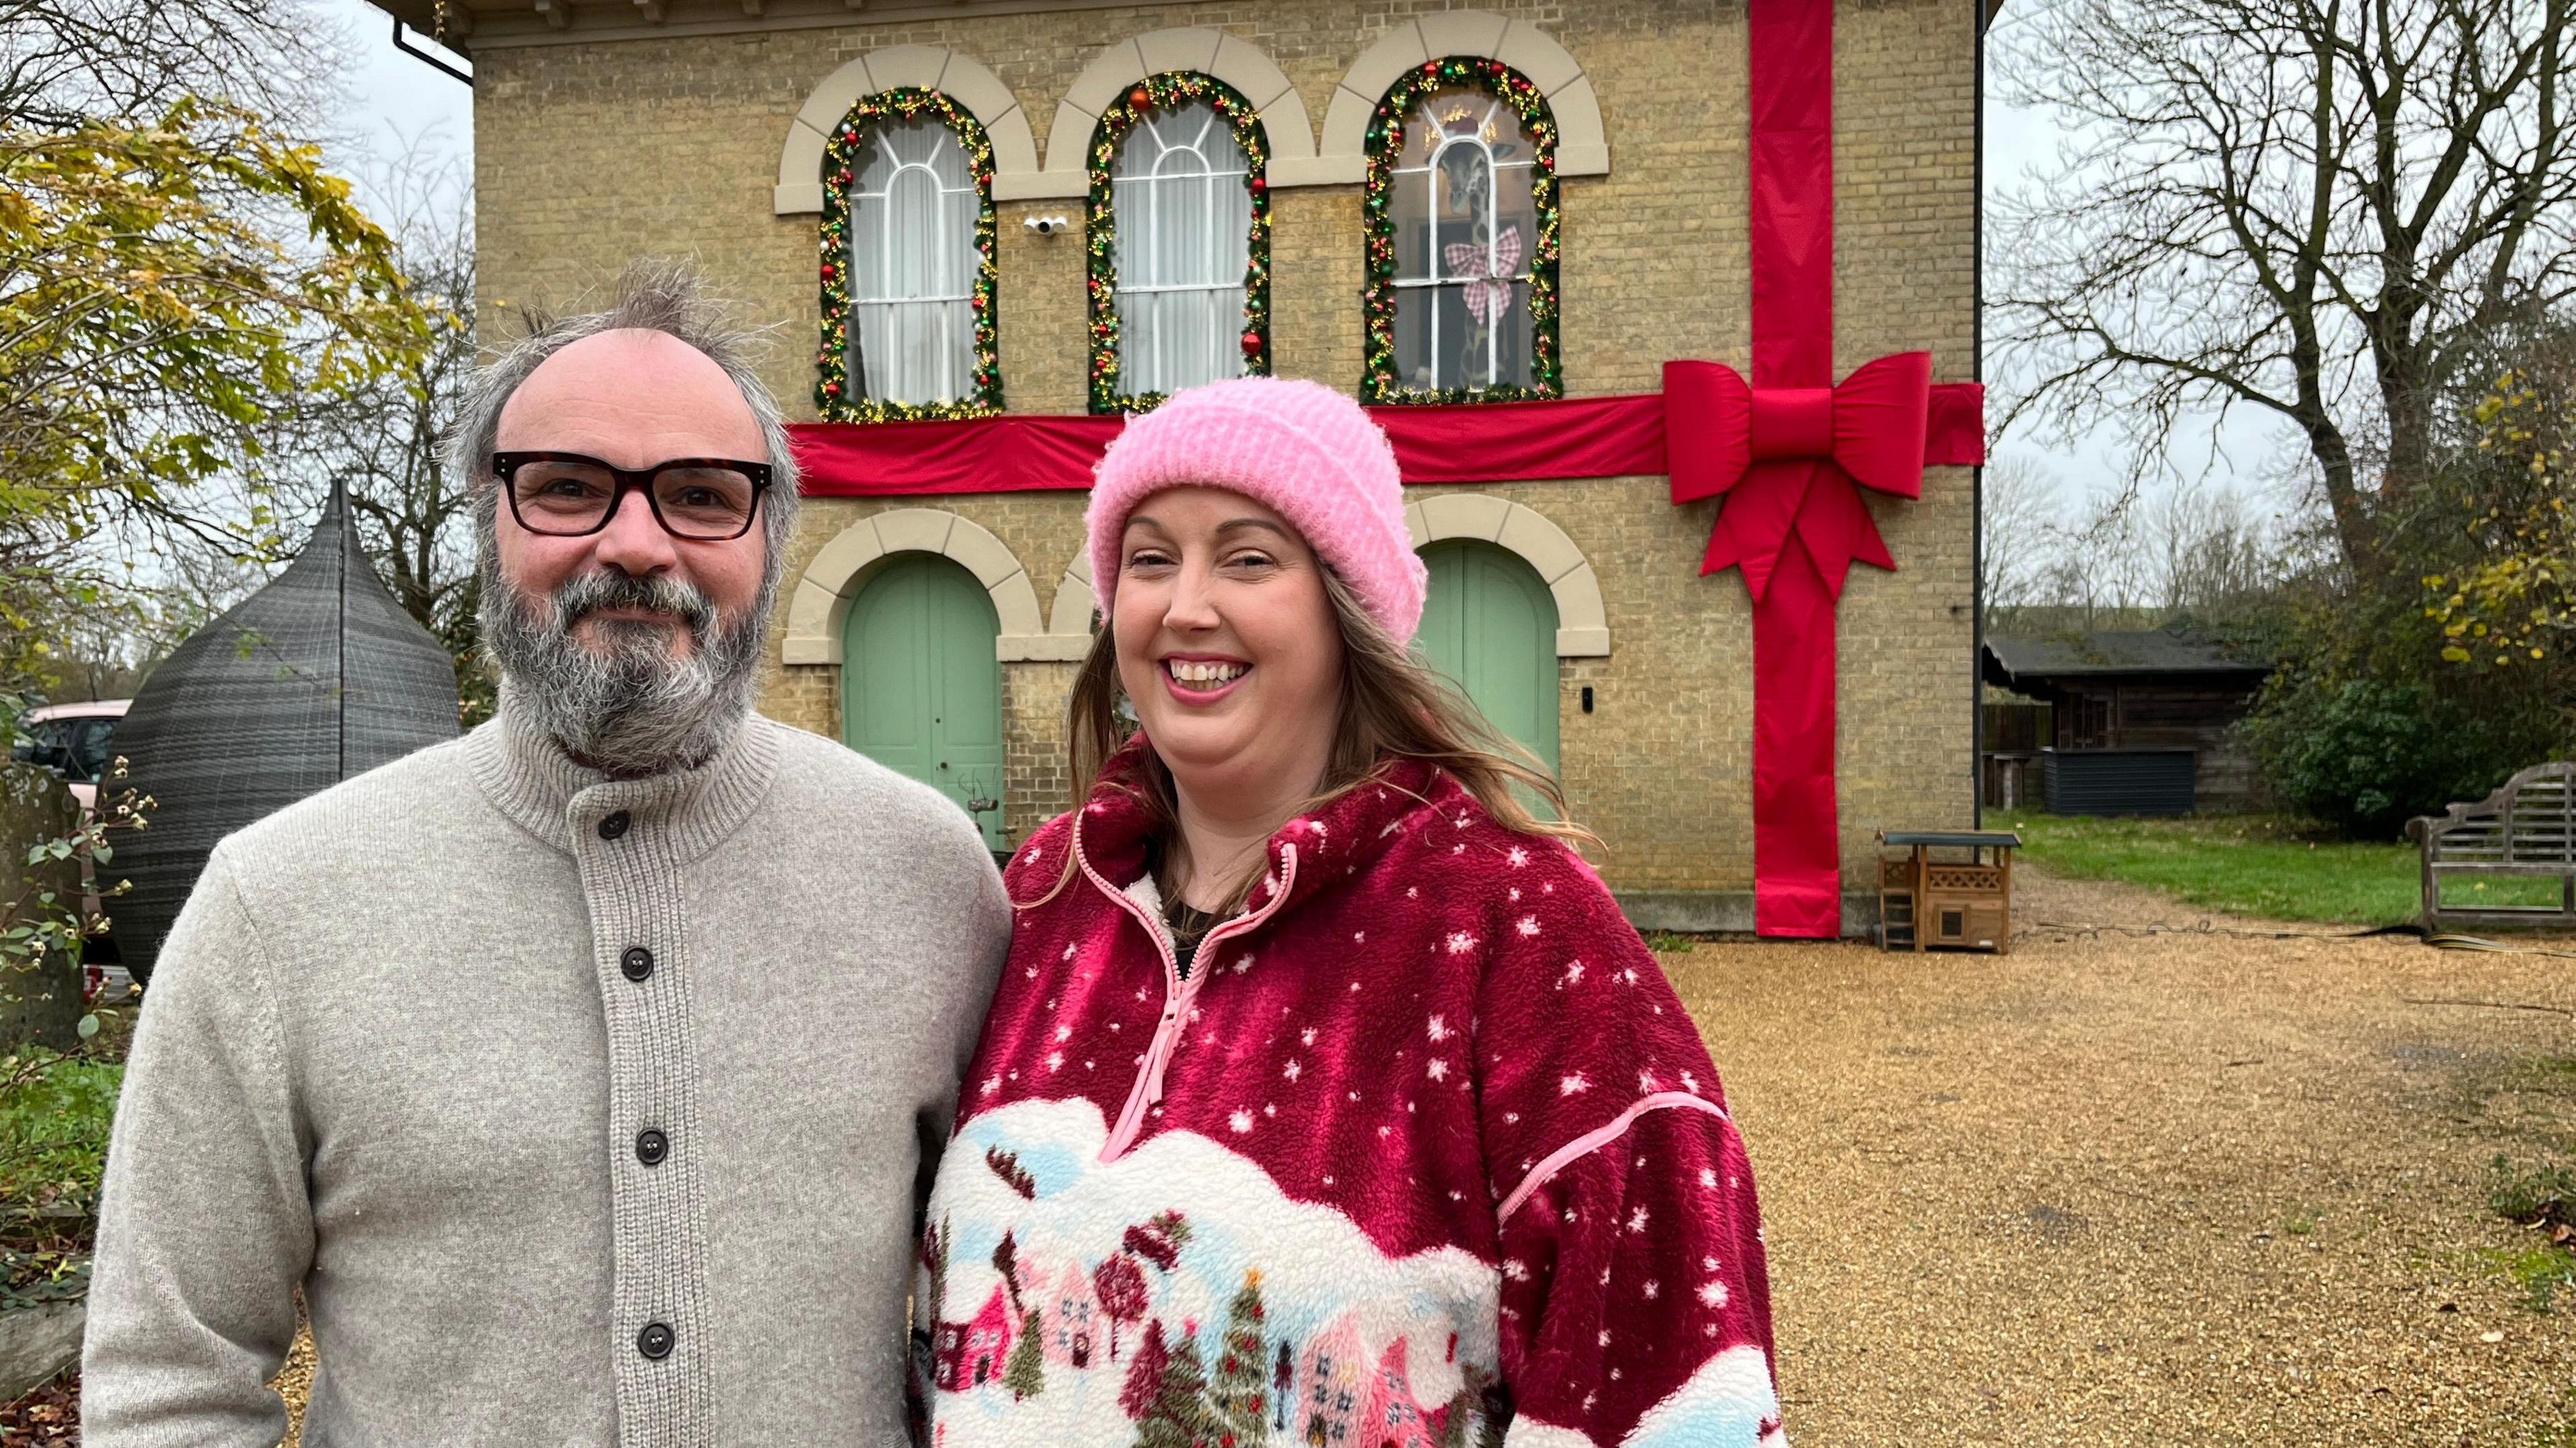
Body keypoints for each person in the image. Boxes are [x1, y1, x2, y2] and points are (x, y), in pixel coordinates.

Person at [83, 264, 1010, 1446]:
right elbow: (169, 1384)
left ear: (772, 536)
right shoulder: (280, 904)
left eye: (701, 494)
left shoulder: (928, 878)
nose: (637, 543)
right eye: (568, 488)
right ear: (489, 519)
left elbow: (1012, 1302)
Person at [915, 376, 1780, 1447]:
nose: (1186, 606)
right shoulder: (1046, 890)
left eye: (1248, 558)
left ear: (1348, 609)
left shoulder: (1519, 923)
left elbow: (1669, 1395)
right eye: (1149, 558)